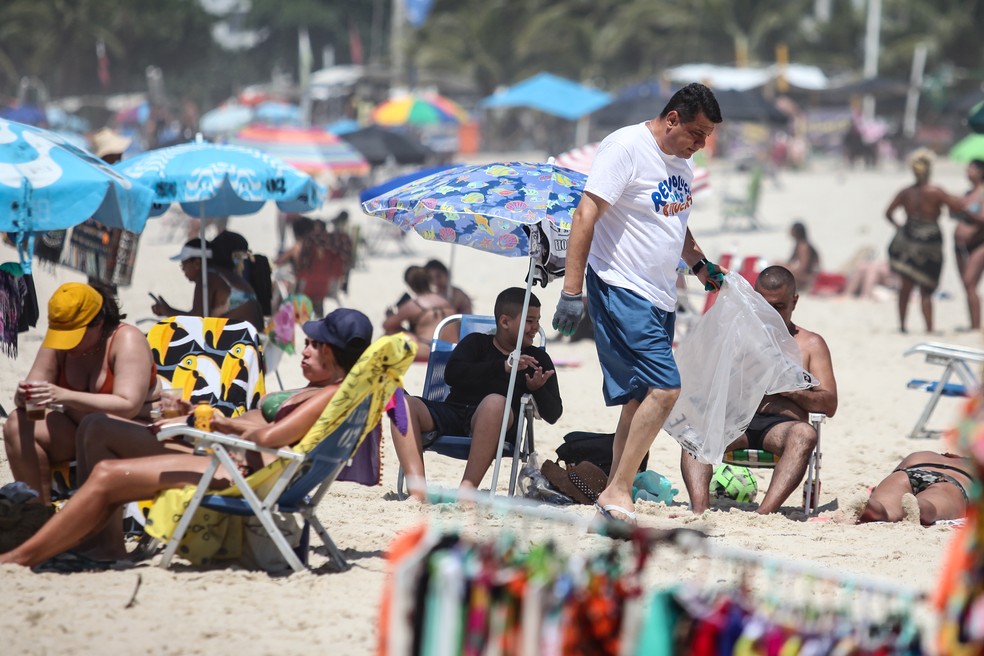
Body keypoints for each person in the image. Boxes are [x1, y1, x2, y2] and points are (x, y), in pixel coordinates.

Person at [0, 309, 373, 568]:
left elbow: (274, 437)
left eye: (313, 345)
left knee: (106, 473)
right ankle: (99, 545)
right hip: (226, 453)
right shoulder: (323, 389)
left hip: (237, 466)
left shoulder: (330, 395)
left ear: (334, 352)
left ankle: (26, 555)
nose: (304, 350)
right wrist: (197, 414)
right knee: (99, 428)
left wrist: (210, 421)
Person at [551, 82, 724, 524]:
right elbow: (585, 213)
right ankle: (620, 489)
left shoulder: (681, 165)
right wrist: (572, 292)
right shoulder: (625, 147)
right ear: (672, 120)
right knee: (666, 388)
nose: (701, 144)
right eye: (697, 133)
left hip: (661, 295)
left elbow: (675, 223)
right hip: (621, 288)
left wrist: (700, 266)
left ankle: (613, 485)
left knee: (640, 395)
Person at [679, 266, 838, 514]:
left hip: (780, 427)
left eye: (778, 308)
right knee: (694, 431)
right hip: (735, 423)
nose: (770, 315)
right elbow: (703, 383)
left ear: (794, 301)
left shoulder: (810, 344)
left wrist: (790, 389)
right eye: (763, 307)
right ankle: (699, 511)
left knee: (804, 435)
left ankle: (764, 514)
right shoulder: (736, 337)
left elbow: (829, 404)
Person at [392, 288, 562, 499]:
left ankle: (467, 490)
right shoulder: (476, 343)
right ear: (505, 322)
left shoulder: (537, 360)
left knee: (494, 402)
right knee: (400, 404)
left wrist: (538, 390)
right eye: (529, 321)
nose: (535, 328)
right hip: (454, 413)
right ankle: (417, 492)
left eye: (537, 320)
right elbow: (452, 375)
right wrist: (503, 367)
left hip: (497, 424)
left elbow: (554, 414)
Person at [2, 283, 158, 504]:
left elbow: (128, 405)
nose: (66, 344)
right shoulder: (59, 340)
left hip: (127, 432)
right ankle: (36, 514)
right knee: (17, 424)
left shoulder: (126, 340)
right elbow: (31, 401)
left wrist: (63, 396)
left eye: (74, 336)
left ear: (99, 323)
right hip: (77, 431)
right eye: (62, 335)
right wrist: (24, 396)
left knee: (96, 424)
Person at [885, 148, 965, 333]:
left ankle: (903, 326)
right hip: (930, 242)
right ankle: (929, 328)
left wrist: (899, 227)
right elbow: (957, 207)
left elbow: (888, 213)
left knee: (905, 286)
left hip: (908, 240)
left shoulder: (905, 192)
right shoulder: (936, 191)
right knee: (926, 287)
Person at [858, 451, 973, 526]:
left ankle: (873, 507)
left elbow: (890, 476)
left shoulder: (921, 454)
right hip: (950, 482)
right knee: (932, 505)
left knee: (887, 508)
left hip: (907, 473)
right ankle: (920, 507)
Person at [383, 265, 454, 361]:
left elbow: (387, 325)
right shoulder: (445, 301)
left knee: (391, 332)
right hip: (450, 350)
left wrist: (390, 315)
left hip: (427, 349)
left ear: (410, 285)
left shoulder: (414, 305)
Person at [150, 238, 226, 319]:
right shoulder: (217, 274)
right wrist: (169, 310)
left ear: (197, 263)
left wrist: (168, 311)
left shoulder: (206, 279)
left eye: (183, 265)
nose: (183, 270)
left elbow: (197, 319)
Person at [209, 230, 264, 331]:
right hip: (251, 339)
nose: (243, 265)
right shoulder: (234, 280)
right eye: (241, 258)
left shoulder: (214, 277)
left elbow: (198, 317)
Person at [953, 160, 984, 331]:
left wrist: (968, 211)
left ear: (981, 172)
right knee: (967, 286)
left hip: (979, 244)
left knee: (970, 281)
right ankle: (972, 324)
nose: (968, 171)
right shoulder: (968, 193)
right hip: (960, 245)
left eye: (972, 168)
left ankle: (976, 326)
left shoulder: (982, 194)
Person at [784, 221, 820, 292]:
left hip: (809, 277)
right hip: (804, 273)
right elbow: (789, 261)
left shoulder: (803, 246)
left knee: (782, 272)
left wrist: (789, 269)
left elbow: (803, 267)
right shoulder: (798, 245)